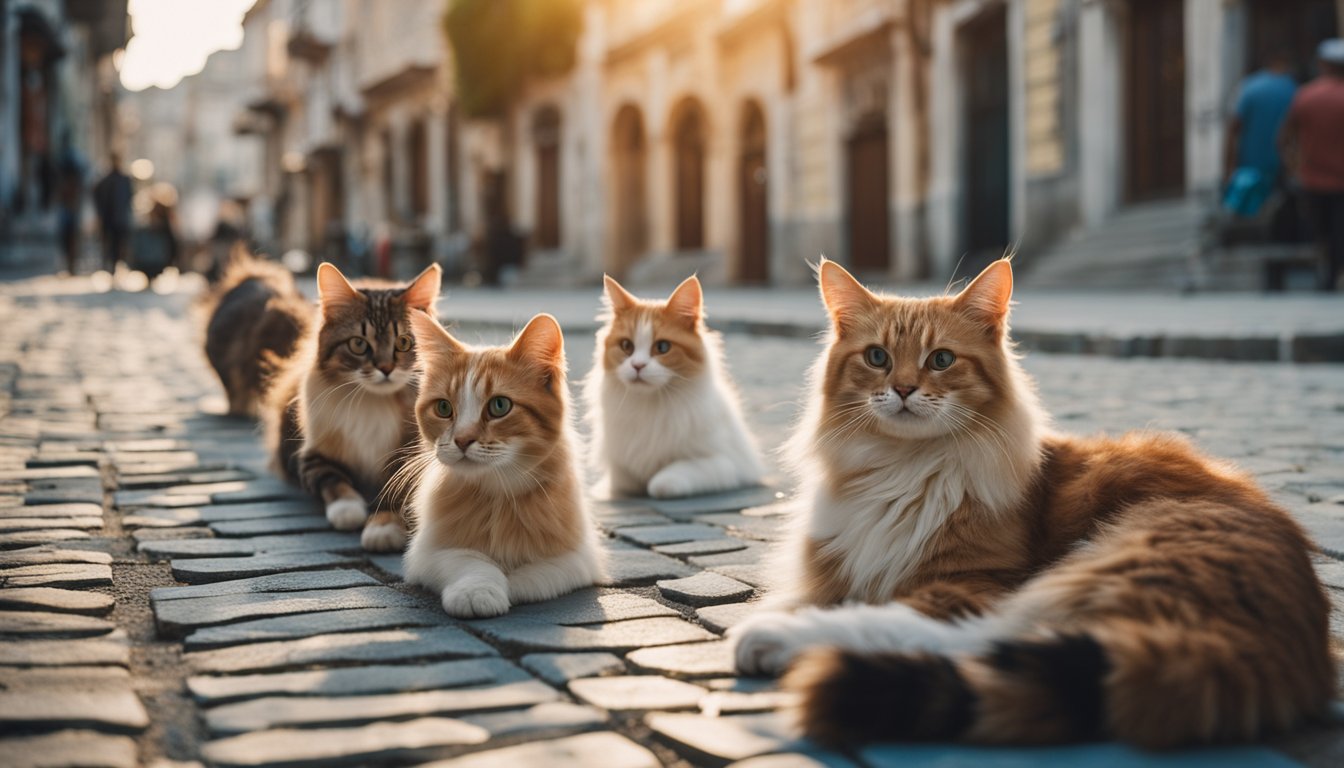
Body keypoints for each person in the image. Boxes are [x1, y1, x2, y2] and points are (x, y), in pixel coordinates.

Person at [1280, 39, 1344, 291]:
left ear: (1323, 65)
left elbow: (1284, 138)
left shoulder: (1306, 96)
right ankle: (1333, 273)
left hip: (1312, 179)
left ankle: (1327, 273)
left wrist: (1293, 166)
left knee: (1323, 232)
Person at [1223, 51, 1297, 217]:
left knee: (1248, 212)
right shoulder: (1291, 88)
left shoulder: (1247, 88)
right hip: (1280, 165)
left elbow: (1232, 130)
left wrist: (1228, 168)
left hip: (1250, 165)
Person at [92, 153, 133, 274]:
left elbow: (129, 198)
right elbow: (97, 196)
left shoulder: (124, 180)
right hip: (109, 219)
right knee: (110, 243)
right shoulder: (105, 181)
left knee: (119, 243)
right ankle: (110, 265)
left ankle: (117, 265)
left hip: (120, 218)